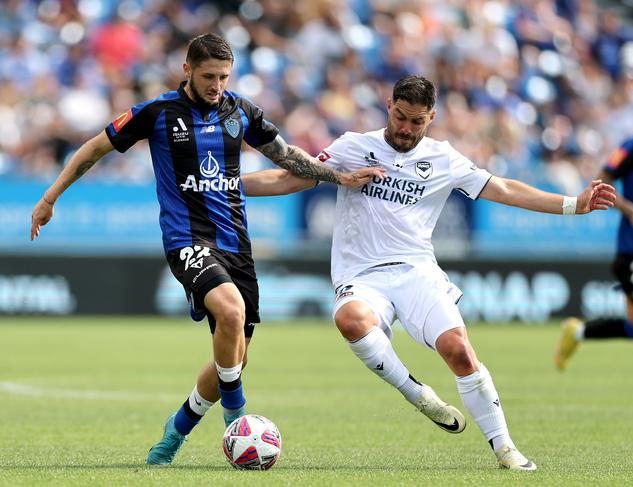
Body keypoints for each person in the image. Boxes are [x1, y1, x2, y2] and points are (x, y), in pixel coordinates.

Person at [29, 33, 384, 466]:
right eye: (208, 76)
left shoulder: (241, 111)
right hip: (187, 240)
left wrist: (338, 177)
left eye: (223, 76)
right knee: (230, 313)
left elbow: (287, 156)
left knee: (233, 356)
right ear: (187, 71)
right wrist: (51, 197)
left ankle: (174, 432)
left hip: (237, 246)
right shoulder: (157, 113)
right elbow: (95, 148)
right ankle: (238, 421)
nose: (216, 85)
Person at [242, 75, 616, 471]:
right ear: (389, 106)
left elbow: (502, 189)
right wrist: (225, 183)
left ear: (431, 118)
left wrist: (573, 204)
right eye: (400, 117)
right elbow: (288, 179)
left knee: (459, 351)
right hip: (362, 275)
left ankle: (506, 449)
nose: (405, 129)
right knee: (350, 320)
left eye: (416, 122)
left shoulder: (444, 159)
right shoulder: (354, 147)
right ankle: (416, 393)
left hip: (417, 273)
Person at [555, 137, 633, 371]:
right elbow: (601, 182)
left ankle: (577, 332)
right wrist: (628, 209)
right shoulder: (629, 148)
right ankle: (578, 332)